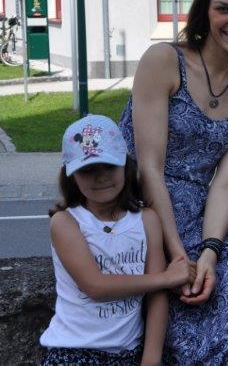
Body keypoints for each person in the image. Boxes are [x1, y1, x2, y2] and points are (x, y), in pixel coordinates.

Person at [119, 0, 228, 364]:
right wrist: (177, 255)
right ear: (205, 10)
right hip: (142, 214)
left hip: (202, 226)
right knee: (187, 339)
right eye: (224, 8)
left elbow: (225, 183)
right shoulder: (164, 61)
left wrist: (210, 251)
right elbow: (148, 167)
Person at [41, 114, 195, 365]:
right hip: (72, 351)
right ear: (71, 176)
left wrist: (151, 357)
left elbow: (157, 296)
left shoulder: (147, 220)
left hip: (128, 353)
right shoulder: (66, 222)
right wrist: (168, 278)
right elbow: (95, 287)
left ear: (126, 165)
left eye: (109, 166)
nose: (101, 177)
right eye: (88, 170)